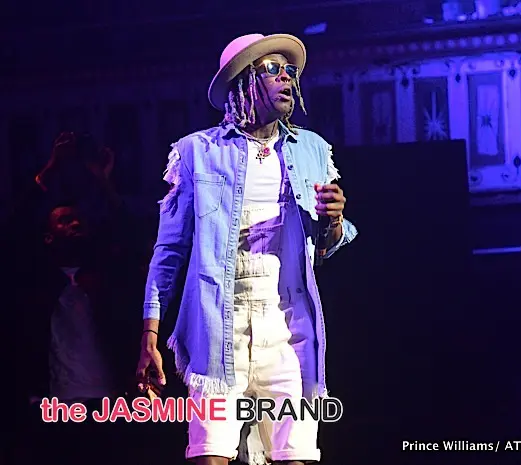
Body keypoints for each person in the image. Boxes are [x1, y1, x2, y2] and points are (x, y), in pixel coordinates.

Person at [137, 33, 358, 465]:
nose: (287, 78)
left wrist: (333, 221)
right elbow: (168, 253)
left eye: (290, 71)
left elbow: (326, 248)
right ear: (242, 82)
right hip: (217, 326)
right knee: (210, 453)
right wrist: (149, 336)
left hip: (288, 328)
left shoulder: (312, 150)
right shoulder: (197, 152)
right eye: (273, 69)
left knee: (295, 455)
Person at [14, 205, 141, 464]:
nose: (75, 224)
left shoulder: (107, 281)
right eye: (65, 220)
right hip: (57, 400)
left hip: (108, 397)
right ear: (48, 236)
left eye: (78, 219)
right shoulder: (35, 285)